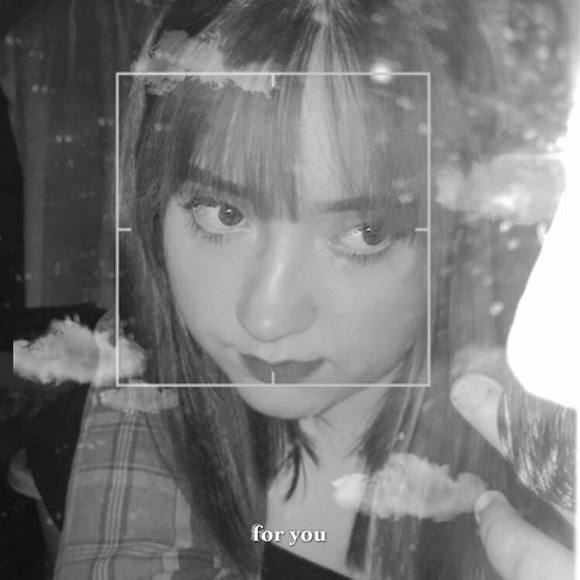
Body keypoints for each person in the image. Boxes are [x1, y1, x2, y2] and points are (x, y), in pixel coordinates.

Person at [54, 1, 574, 579]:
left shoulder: (553, 450)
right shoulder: (137, 376)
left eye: (367, 232)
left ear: (461, 235)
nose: (266, 317)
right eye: (224, 213)